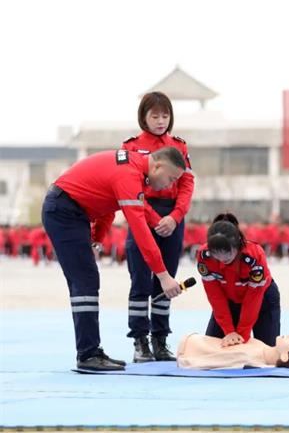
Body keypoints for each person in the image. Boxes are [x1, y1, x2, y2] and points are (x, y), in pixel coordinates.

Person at [41, 147, 186, 371]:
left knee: (87, 279)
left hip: (72, 211)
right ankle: (88, 354)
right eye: (171, 178)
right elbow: (140, 231)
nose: (170, 185)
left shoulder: (133, 167)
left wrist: (96, 240)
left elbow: (109, 206)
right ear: (157, 166)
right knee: (85, 280)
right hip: (64, 212)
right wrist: (164, 276)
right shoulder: (129, 174)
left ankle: (90, 351)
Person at [121, 92, 195, 363]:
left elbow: (186, 183)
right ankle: (140, 340)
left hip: (172, 218)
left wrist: (175, 216)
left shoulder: (179, 146)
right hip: (141, 212)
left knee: (167, 281)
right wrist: (154, 219)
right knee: (140, 280)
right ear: (144, 117)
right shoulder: (131, 147)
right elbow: (129, 187)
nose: (161, 121)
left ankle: (160, 339)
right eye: (155, 116)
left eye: (165, 115)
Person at [196, 213, 281, 347]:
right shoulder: (204, 256)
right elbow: (215, 295)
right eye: (216, 254)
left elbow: (253, 298)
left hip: (261, 300)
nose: (222, 258)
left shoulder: (254, 256)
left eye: (227, 253)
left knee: (267, 351)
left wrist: (242, 334)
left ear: (237, 245)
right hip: (229, 300)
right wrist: (229, 331)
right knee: (213, 349)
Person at [177, 334, 289, 370]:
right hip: (196, 342)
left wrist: (187, 361)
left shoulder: (252, 360)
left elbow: (220, 361)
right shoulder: (263, 347)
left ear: (284, 356)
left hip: (191, 348)